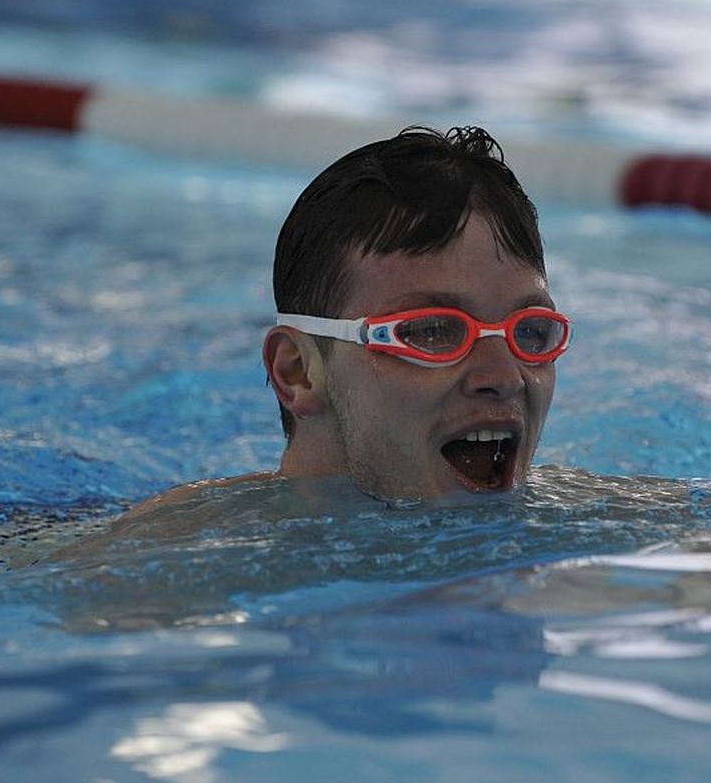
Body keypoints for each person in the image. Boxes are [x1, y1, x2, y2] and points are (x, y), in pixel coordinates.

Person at [91, 125, 569, 538]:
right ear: (298, 372)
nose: (504, 377)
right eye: (432, 331)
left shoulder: (586, 531)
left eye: (530, 332)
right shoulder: (172, 565)